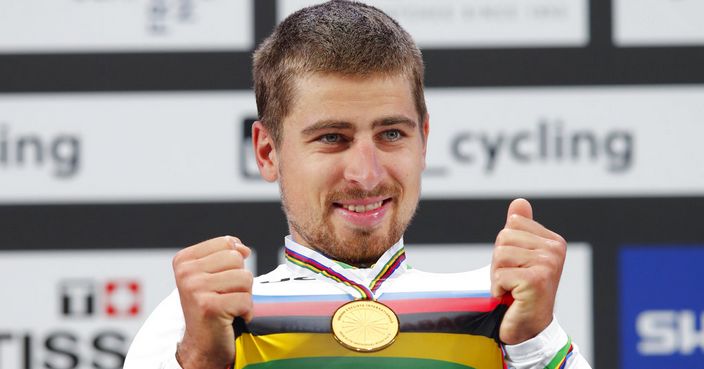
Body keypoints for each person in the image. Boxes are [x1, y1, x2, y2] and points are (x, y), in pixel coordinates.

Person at [124, 1, 592, 368]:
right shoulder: (193, 324)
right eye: (332, 138)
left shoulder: (505, 315)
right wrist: (202, 361)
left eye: (391, 134)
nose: (366, 174)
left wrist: (535, 342)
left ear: (423, 141)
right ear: (268, 152)